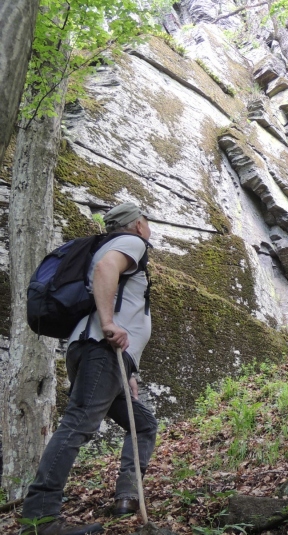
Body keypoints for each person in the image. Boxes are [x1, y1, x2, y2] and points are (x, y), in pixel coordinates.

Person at [21, 202, 158, 535]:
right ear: (138, 224)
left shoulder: (108, 244)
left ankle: (127, 495)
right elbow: (105, 270)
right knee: (77, 424)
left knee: (142, 424)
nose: (148, 228)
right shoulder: (131, 244)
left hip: (100, 352)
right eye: (146, 222)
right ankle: (40, 520)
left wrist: (129, 372)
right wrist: (109, 323)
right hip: (102, 349)